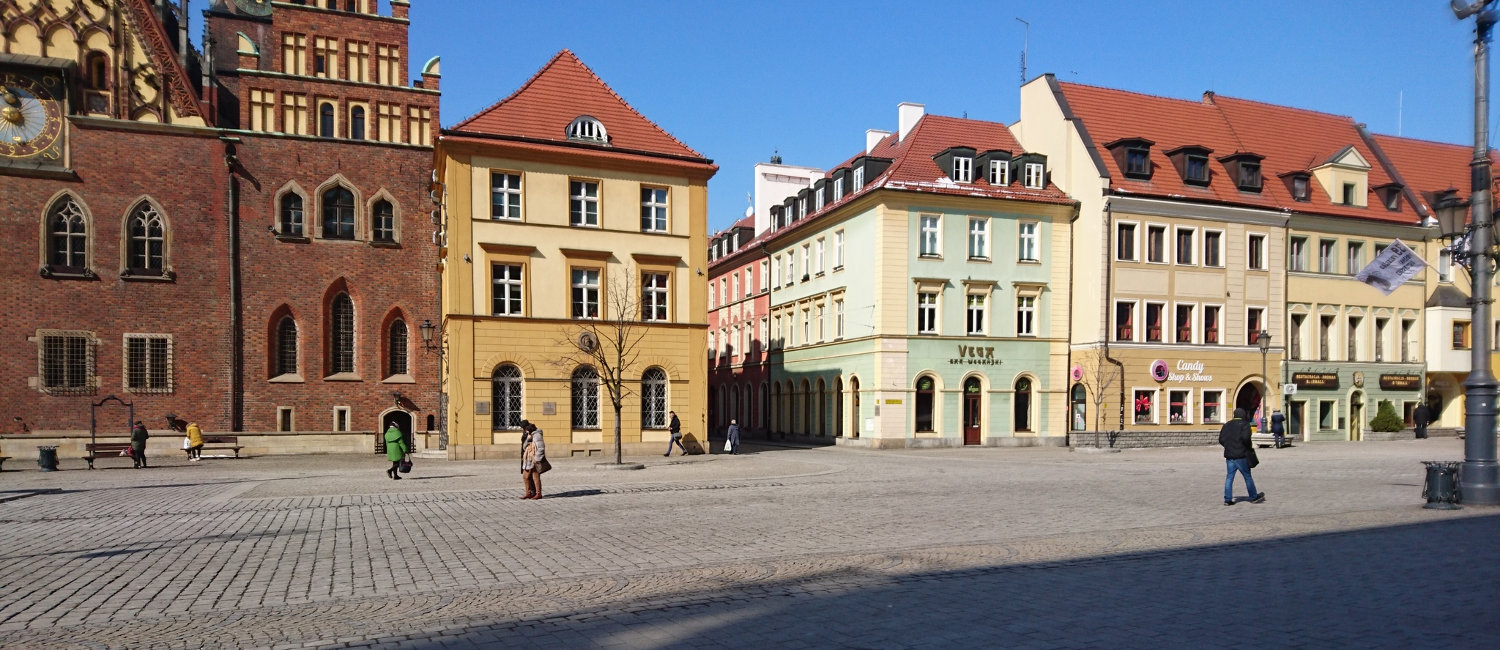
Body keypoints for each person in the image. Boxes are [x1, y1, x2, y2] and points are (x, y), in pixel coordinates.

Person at [1219, 408, 1265, 506]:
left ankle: (1227, 499)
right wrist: (1247, 447)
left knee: (1229, 477)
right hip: (1241, 455)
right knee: (1247, 476)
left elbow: (1221, 439)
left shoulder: (1227, 425)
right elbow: (1246, 438)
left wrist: (1228, 446)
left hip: (1229, 455)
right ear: (1243, 415)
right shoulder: (1245, 425)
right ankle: (1253, 497)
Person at [520, 420, 546, 499]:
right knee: (525, 476)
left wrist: (537, 458)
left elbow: (541, 448)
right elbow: (524, 447)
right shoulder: (529, 435)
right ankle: (528, 492)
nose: (524, 431)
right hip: (528, 458)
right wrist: (528, 439)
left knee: (535, 476)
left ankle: (538, 493)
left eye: (525, 429)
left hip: (534, 458)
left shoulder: (537, 435)